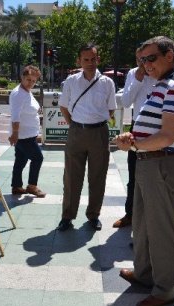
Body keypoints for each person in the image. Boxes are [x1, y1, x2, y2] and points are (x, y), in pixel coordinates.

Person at [114, 36, 174, 306]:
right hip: (147, 161)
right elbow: (152, 128)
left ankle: (165, 289)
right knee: (143, 224)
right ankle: (145, 273)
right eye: (142, 60)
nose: (146, 65)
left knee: (161, 229)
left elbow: (167, 136)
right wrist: (133, 136)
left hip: (161, 162)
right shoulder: (161, 85)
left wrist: (133, 143)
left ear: (170, 55)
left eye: (151, 58)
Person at [57, 43, 117, 232]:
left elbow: (111, 108)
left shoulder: (107, 83)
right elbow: (64, 106)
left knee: (97, 177)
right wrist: (74, 124)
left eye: (93, 59)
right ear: (79, 61)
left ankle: (93, 215)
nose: (90, 63)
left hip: (99, 133)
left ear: (98, 59)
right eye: (86, 59)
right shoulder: (71, 81)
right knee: (72, 177)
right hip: (77, 132)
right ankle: (67, 216)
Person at [113, 47, 157, 228]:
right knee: (134, 175)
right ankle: (130, 214)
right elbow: (125, 101)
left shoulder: (159, 73)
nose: (144, 63)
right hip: (137, 130)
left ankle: (151, 218)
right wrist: (139, 76)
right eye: (140, 59)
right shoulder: (133, 73)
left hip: (157, 132)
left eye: (147, 58)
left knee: (155, 178)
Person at [8, 65, 46, 198]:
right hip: (23, 135)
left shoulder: (25, 91)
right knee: (38, 158)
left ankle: (17, 186)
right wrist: (15, 133)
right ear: (22, 77)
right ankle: (32, 186)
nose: (31, 83)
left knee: (21, 160)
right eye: (28, 79)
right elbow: (15, 116)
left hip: (27, 134)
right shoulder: (19, 94)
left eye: (34, 81)